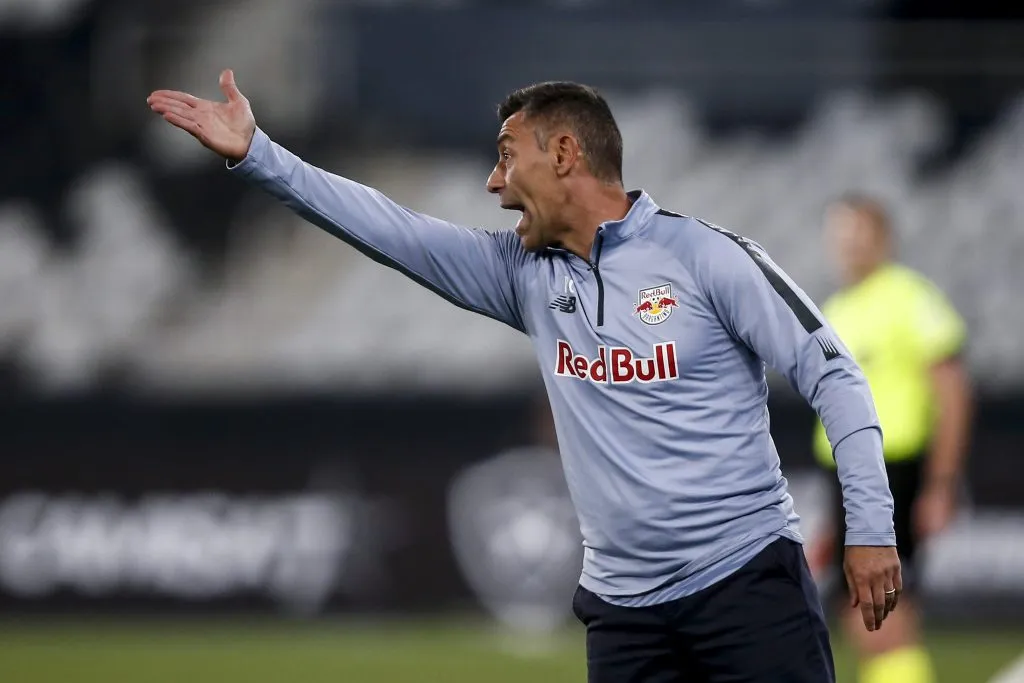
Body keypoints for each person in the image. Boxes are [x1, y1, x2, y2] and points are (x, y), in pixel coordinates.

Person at [148, 70, 902, 683]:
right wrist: (259, 155)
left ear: (566, 152)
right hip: (625, 614)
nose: (491, 181)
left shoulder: (706, 258)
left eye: (507, 156)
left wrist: (870, 527)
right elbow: (389, 230)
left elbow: (835, 374)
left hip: (745, 586)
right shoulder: (523, 275)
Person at [808, 194, 973, 683]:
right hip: (846, 475)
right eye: (841, 235)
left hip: (890, 470)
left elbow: (953, 389)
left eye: (859, 234)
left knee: (879, 605)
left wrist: (941, 484)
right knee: (862, 609)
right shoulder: (838, 306)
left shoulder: (909, 297)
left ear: (884, 239)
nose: (849, 246)